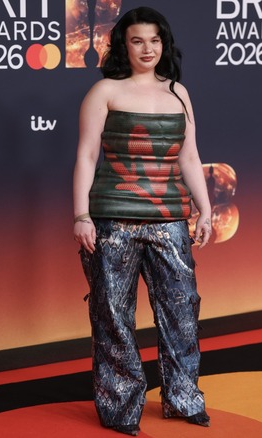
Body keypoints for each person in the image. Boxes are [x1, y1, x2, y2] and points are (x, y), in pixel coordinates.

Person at [72, 6, 213, 436]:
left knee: (182, 308)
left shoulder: (178, 92)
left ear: (164, 44)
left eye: (154, 40)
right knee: (113, 315)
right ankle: (120, 409)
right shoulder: (104, 92)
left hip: (170, 218)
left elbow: (189, 156)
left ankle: (184, 399)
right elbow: (86, 156)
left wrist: (205, 208)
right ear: (123, 45)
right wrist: (81, 216)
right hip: (112, 219)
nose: (147, 48)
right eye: (137, 40)